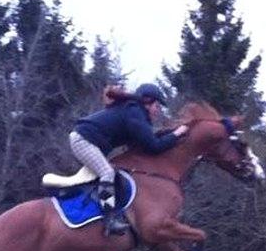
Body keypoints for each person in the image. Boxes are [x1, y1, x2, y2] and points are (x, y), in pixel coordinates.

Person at [70, 83, 188, 236]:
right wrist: (176, 134)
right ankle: (109, 220)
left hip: (89, 141)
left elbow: (148, 140)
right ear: (147, 101)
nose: (158, 110)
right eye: (157, 105)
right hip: (83, 140)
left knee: (110, 173)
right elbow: (153, 146)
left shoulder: (134, 111)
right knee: (107, 173)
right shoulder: (134, 111)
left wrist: (173, 134)